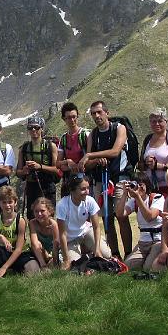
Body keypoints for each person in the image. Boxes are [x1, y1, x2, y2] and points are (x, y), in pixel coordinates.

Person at [79, 100, 129, 257]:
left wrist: (91, 155)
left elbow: (115, 152)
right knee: (107, 217)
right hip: (101, 179)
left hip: (119, 177)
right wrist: (95, 160)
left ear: (107, 113)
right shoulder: (93, 134)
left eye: (99, 112)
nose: (96, 116)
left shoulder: (120, 128)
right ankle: (114, 254)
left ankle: (128, 253)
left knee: (121, 215)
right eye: (93, 113)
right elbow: (88, 165)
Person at [0, 185, 40, 276]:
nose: (7, 206)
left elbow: (18, 249)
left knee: (34, 273)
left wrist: (4, 268)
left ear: (15, 203)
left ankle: (6, 268)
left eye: (10, 202)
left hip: (20, 254)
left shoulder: (20, 220)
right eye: (4, 202)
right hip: (3, 251)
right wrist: (0, 236)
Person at [115, 172, 165, 271]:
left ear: (147, 185)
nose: (138, 188)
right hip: (143, 242)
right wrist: (125, 193)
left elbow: (150, 217)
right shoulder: (134, 201)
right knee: (128, 266)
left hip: (157, 240)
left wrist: (137, 197)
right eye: (135, 185)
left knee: (148, 267)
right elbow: (120, 215)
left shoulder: (157, 198)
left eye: (141, 185)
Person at [55, 174, 111, 262]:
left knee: (106, 255)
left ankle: (90, 253)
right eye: (83, 189)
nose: (87, 192)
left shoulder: (90, 201)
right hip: (70, 239)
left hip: (85, 232)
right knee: (76, 264)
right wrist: (66, 259)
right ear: (72, 190)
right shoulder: (62, 205)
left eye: (88, 188)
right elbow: (62, 234)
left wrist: (97, 249)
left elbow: (96, 227)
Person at [16, 115, 59, 214]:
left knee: (48, 217)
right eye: (30, 127)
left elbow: (57, 169)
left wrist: (39, 167)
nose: (33, 130)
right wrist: (24, 171)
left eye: (37, 127)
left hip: (47, 186)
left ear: (42, 128)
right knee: (32, 218)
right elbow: (18, 172)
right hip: (31, 187)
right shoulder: (24, 148)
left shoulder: (51, 146)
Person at [140, 108, 168, 196]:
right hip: (150, 188)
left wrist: (161, 166)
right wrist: (146, 162)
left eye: (160, 121)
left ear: (166, 121)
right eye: (153, 121)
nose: (157, 124)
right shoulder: (147, 139)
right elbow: (140, 165)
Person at [56, 102, 88, 196]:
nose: (72, 120)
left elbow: (91, 157)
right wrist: (68, 162)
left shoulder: (85, 135)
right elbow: (58, 163)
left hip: (84, 180)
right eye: (69, 118)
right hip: (69, 181)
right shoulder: (64, 138)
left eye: (74, 116)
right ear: (64, 119)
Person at [27, 197, 63, 271]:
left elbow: (56, 245)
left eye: (42, 211)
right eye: (36, 211)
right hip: (39, 253)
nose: (39, 214)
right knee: (38, 244)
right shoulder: (32, 223)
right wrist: (43, 264)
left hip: (53, 253)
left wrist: (54, 260)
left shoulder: (53, 224)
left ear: (49, 211)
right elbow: (34, 244)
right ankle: (43, 265)